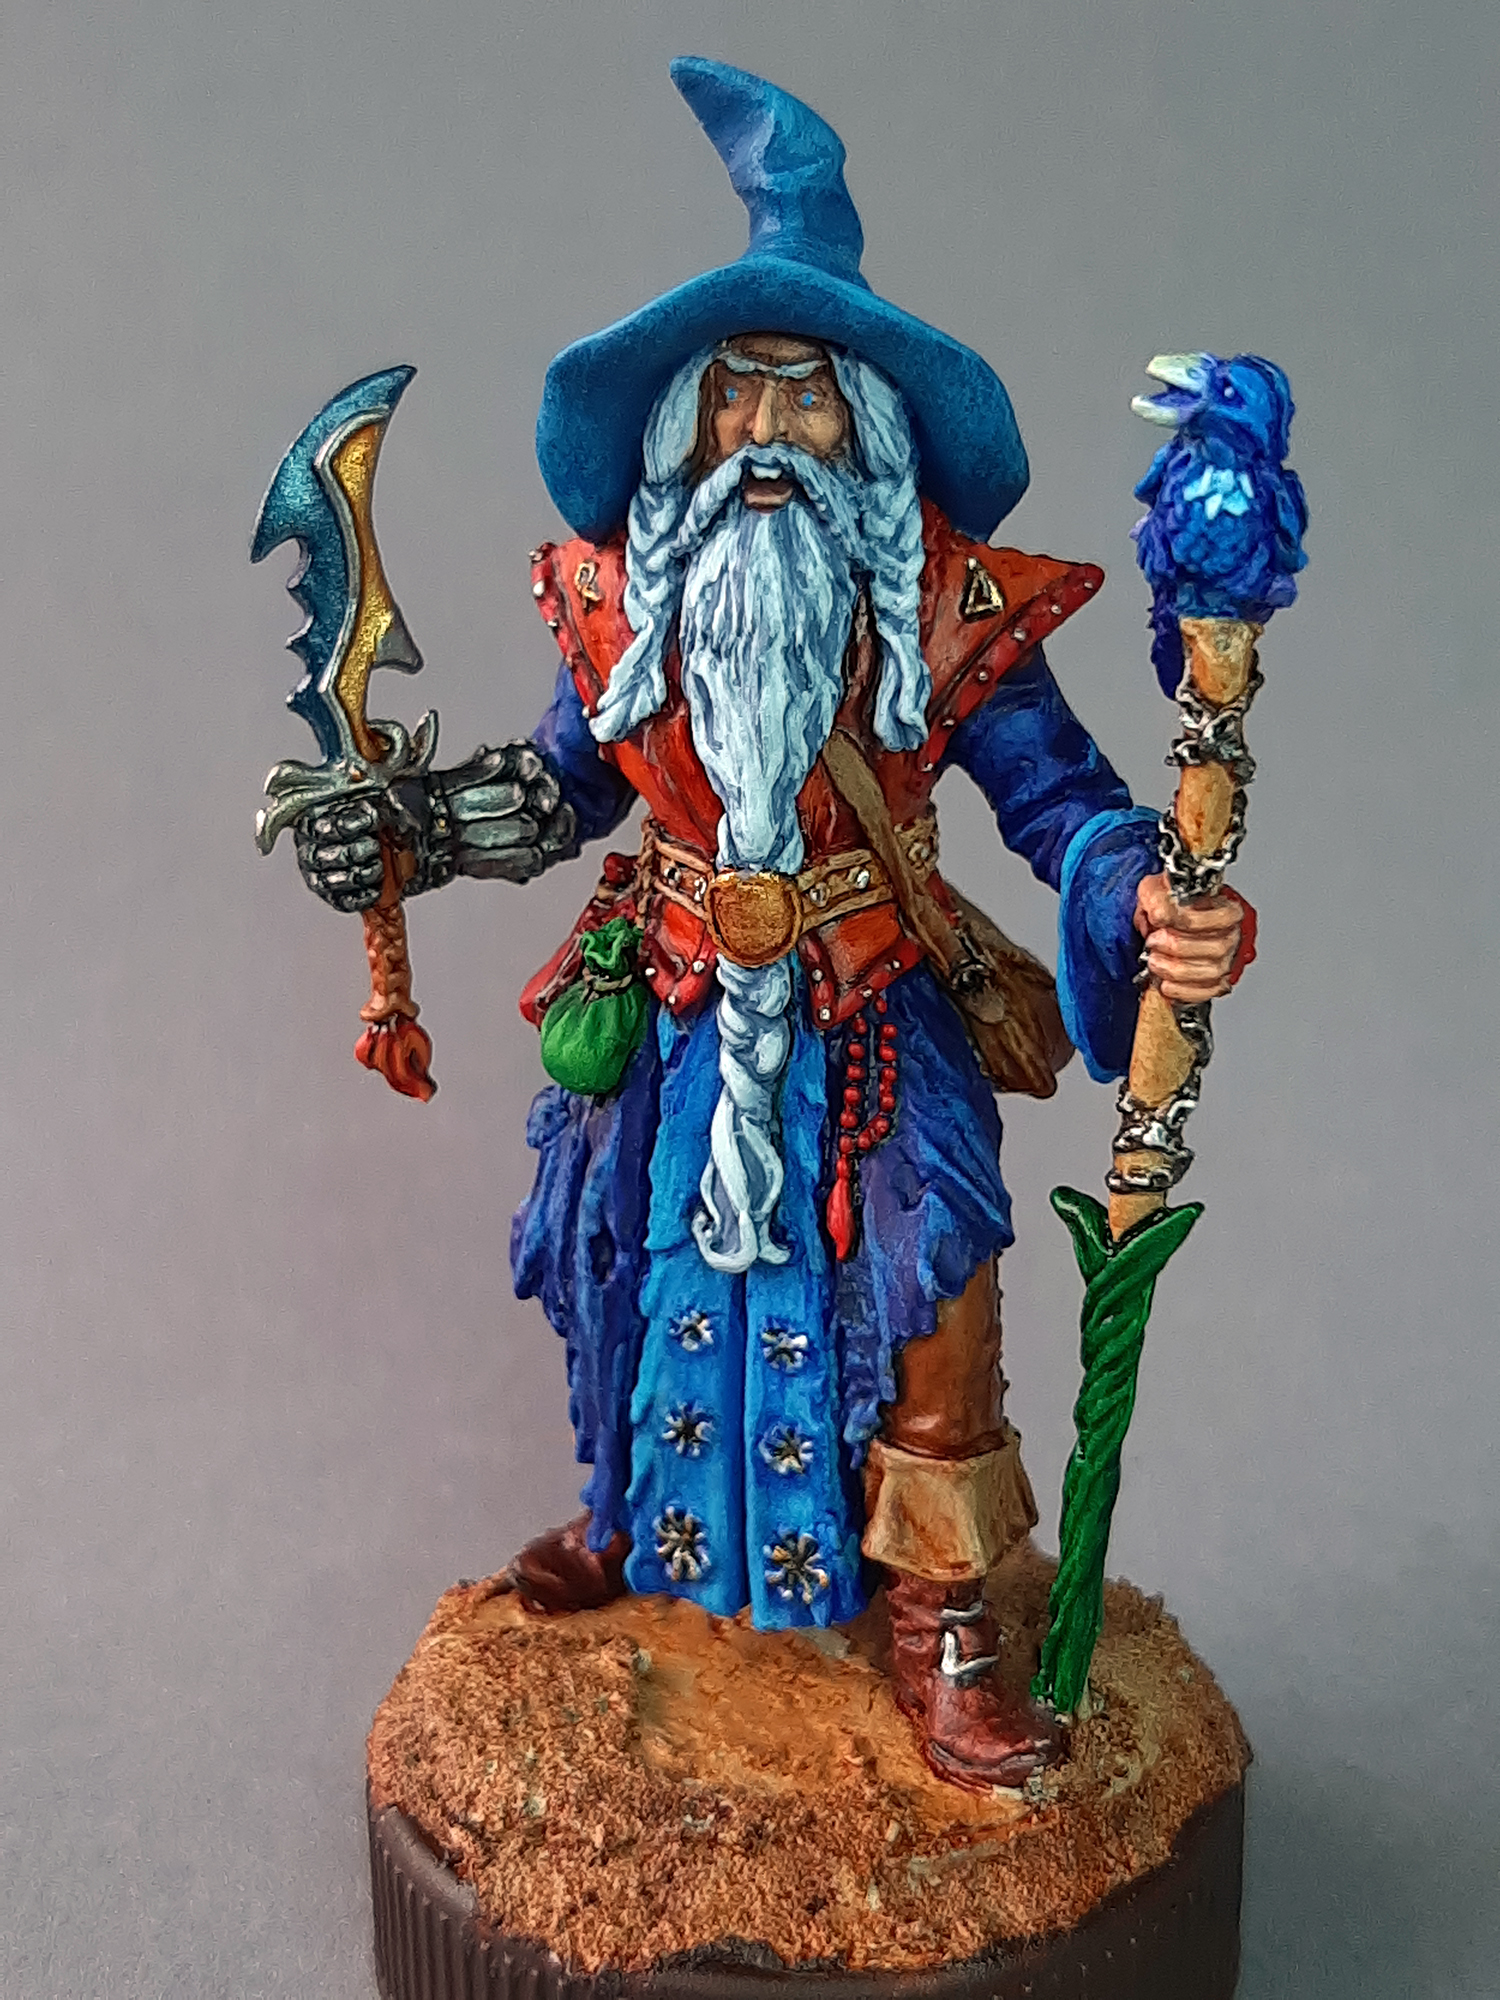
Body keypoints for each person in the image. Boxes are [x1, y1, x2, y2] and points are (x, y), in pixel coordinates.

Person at [291, 59, 1246, 1793]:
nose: (768, 438)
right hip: (664, 981)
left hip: (871, 990)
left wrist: (1142, 896)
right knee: (607, 1239)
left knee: (934, 1263)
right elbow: (560, 790)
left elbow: (1064, 802)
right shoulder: (626, 606)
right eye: (735, 396)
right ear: (681, 424)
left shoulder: (942, 611)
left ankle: (944, 1618)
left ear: (869, 430)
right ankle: (633, 1510)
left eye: (809, 403)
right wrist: (411, 828)